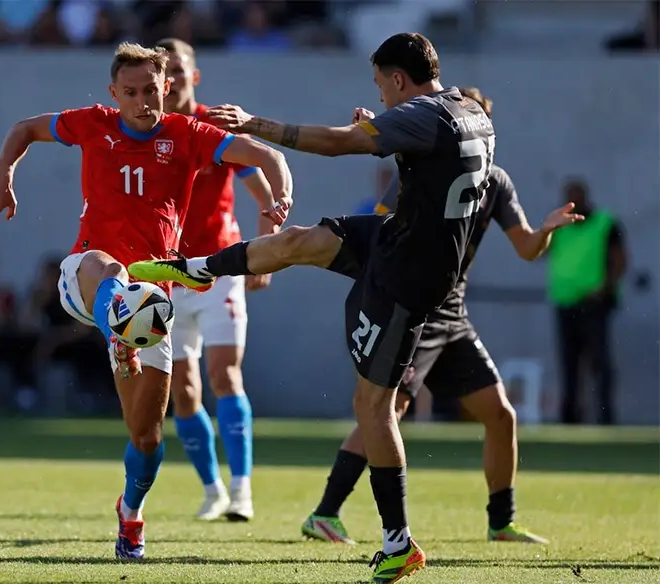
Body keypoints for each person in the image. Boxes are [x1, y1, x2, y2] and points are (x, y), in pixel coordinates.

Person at [130, 32, 494, 583]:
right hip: (402, 237)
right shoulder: (469, 109)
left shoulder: (418, 114)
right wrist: (388, 127)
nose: (382, 94)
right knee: (300, 241)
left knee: (373, 406)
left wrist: (259, 124)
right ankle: (195, 266)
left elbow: (337, 142)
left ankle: (398, 542)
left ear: (398, 77)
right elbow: (435, 157)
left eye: (382, 84)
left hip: (410, 274)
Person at [0, 42, 293, 560]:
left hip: (153, 301)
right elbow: (24, 129)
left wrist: (279, 199)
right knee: (109, 268)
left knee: (146, 438)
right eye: (130, 92)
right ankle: (119, 321)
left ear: (167, 88)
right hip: (88, 275)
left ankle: (130, 512)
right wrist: (3, 177)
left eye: (151, 90)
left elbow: (266, 155)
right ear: (113, 93)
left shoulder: (188, 135)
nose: (142, 101)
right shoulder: (92, 123)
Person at [300, 87, 583, 548]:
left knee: (500, 415)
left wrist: (546, 231)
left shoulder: (497, 182)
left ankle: (501, 523)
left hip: (453, 314)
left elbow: (528, 248)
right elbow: (381, 232)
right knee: (387, 409)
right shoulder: (420, 174)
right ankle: (325, 512)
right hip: (415, 306)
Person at [156, 37, 278, 522]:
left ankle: (242, 488)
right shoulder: (148, 131)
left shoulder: (215, 128)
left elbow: (261, 186)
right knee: (182, 392)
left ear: (194, 75)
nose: (174, 81)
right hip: (166, 274)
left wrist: (265, 251)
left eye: (180, 71)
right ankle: (212, 489)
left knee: (224, 375)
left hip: (220, 266)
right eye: (165, 74)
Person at [549, 179, 627, 425]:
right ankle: (570, 418)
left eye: (577, 197)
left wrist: (607, 287)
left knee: (599, 363)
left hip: (594, 303)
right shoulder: (561, 225)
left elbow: (619, 259)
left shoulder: (605, 223)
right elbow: (540, 251)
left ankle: (605, 417)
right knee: (569, 363)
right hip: (565, 301)